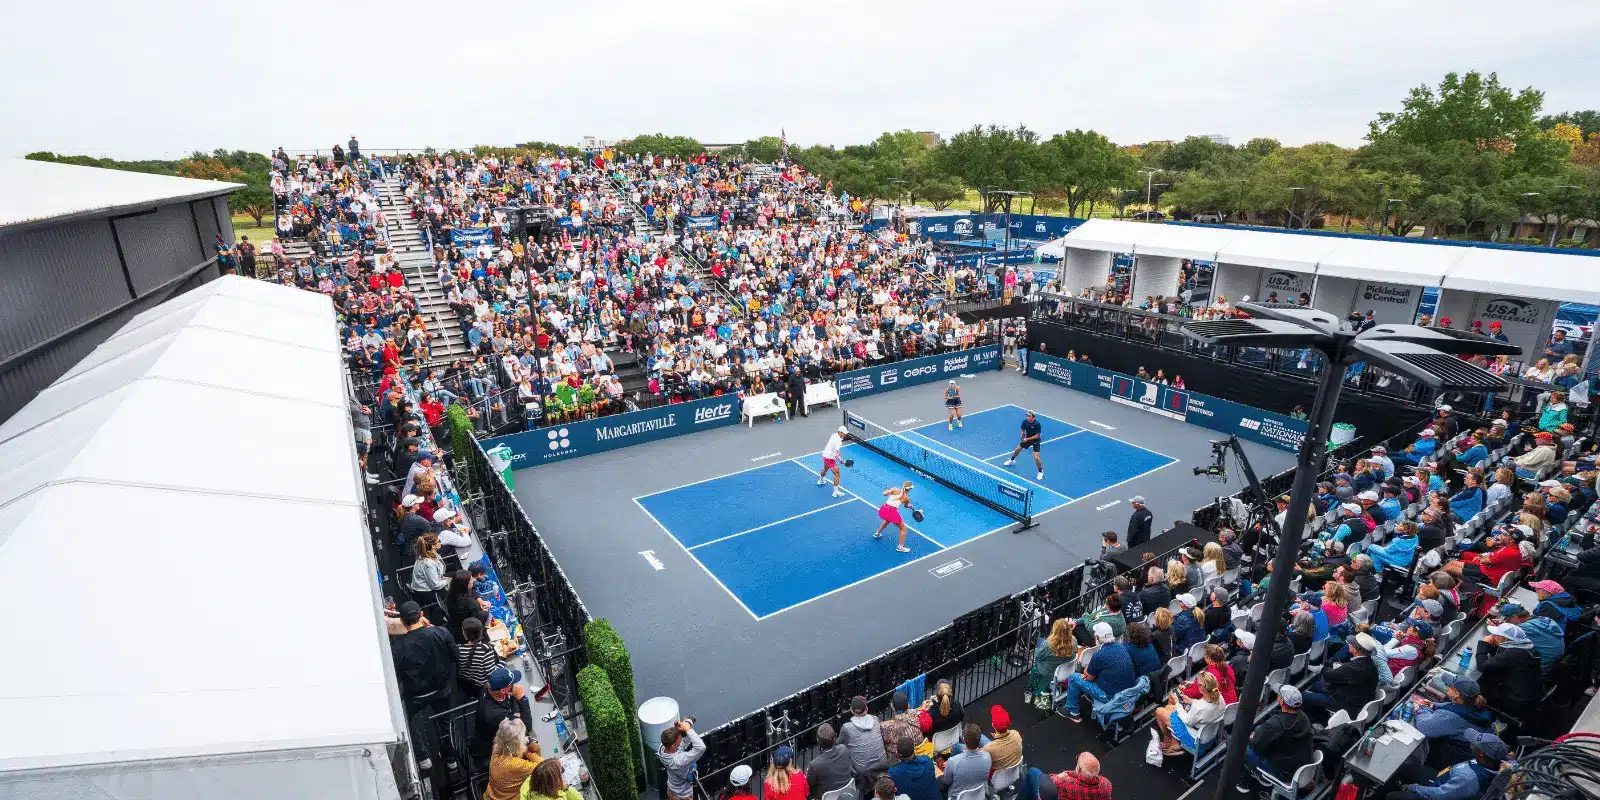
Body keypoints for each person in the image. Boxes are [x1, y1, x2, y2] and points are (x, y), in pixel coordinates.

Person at [390, 600, 460, 771]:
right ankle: (451, 759)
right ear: (422, 615)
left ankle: (423, 758)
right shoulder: (441, 633)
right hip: (442, 688)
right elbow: (455, 657)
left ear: (402, 622)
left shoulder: (398, 647)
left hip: (416, 695)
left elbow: (397, 675)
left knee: (406, 719)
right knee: (445, 723)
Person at [1387, 731, 1508, 800]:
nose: (1471, 743)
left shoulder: (1469, 778)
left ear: (1481, 755)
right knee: (1403, 769)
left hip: (1439, 794)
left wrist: (1414, 788)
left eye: (1475, 743)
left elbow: (1439, 795)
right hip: (1444, 779)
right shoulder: (1495, 763)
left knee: (1392, 797)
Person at [1411, 675, 1493, 770]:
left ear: (1457, 694)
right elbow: (1451, 707)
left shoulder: (1452, 717)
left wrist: (1422, 708)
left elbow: (1424, 727)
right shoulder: (1474, 704)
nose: (1447, 688)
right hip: (1472, 751)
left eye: (1449, 687)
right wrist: (1433, 705)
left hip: (1453, 758)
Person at [1241, 685, 1314, 789]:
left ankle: (1249, 778)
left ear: (1281, 701)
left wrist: (1253, 736)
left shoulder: (1274, 725)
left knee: (1235, 743)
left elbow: (1256, 747)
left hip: (1283, 773)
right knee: (1259, 729)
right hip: (1299, 767)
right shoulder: (1304, 717)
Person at [1061, 622, 1135, 723]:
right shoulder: (1120, 646)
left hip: (1110, 696)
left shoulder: (1099, 656)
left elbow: (1089, 677)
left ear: (1098, 638)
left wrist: (1087, 669)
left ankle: (1073, 712)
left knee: (1074, 678)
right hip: (1126, 692)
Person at [1474, 622, 1544, 721]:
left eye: (1497, 635)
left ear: (1506, 639)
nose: (1493, 636)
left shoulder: (1513, 654)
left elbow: (1482, 666)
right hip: (1530, 699)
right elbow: (1503, 658)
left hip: (1516, 703)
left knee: (1483, 685)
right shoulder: (1526, 649)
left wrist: (1484, 644)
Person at [1302, 633, 1380, 720]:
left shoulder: (1355, 668)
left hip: (1347, 705)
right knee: (1316, 684)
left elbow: (1329, 676)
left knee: (1303, 696)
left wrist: (1324, 668)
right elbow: (1346, 672)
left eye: (1351, 644)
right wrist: (1333, 665)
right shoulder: (1370, 663)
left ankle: (1316, 719)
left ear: (1356, 650)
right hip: (1354, 697)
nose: (1349, 645)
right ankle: (1318, 714)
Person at [474, 666, 533, 768]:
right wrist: (522, 698)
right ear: (502, 691)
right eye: (511, 684)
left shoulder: (487, 689)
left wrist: (513, 695)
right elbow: (526, 727)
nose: (514, 685)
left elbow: (511, 708)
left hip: (486, 738)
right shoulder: (495, 715)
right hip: (490, 754)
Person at [1155, 670, 1225, 755]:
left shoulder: (1199, 707)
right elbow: (1204, 706)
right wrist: (1192, 701)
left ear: (1201, 687)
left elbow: (1186, 721)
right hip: (1209, 733)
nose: (1195, 684)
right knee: (1168, 708)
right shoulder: (1220, 698)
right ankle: (1174, 743)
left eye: (1197, 684)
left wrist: (1178, 703)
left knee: (1159, 711)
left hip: (1194, 737)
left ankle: (1168, 740)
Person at [484, 717, 542, 800]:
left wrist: (522, 745)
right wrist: (527, 752)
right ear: (516, 744)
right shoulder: (517, 764)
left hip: (492, 794)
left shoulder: (496, 750)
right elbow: (542, 765)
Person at [839, 695, 888, 784]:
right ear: (866, 709)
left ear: (851, 710)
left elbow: (838, 746)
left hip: (863, 772)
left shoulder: (846, 728)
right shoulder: (875, 719)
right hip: (883, 764)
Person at [1029, 619, 1078, 706]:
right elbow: (1076, 651)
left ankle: (1043, 686)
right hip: (1067, 670)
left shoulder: (1049, 645)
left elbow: (1037, 656)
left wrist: (1039, 647)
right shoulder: (1073, 640)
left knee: (1040, 643)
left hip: (1049, 672)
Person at [938, 725, 991, 797]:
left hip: (956, 797)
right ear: (979, 741)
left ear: (963, 739)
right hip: (979, 795)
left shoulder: (952, 761)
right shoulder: (987, 757)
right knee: (958, 747)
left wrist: (939, 774)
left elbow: (946, 782)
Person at [661, 719, 707, 800]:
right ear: (673, 746)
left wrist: (680, 730)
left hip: (672, 789)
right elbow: (701, 748)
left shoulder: (663, 749)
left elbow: (681, 745)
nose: (681, 739)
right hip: (684, 795)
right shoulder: (678, 761)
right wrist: (688, 729)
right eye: (679, 740)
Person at [806, 724, 853, 799]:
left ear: (818, 741)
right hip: (847, 792)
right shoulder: (844, 749)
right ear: (835, 739)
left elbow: (809, 783)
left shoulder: (815, 764)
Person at [1048, 753, 1112, 800]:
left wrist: (1063, 775)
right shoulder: (1107, 784)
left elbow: (1047, 783)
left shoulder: (1064, 782)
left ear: (1078, 769)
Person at [1002, 410, 1045, 481]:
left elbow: (1037, 436)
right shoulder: (1025, 422)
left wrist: (1027, 439)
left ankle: (1040, 472)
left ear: (1033, 417)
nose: (1027, 417)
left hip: (1035, 441)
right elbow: (1022, 429)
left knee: (1036, 457)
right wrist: (1022, 434)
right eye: (1027, 415)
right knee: (1017, 449)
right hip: (1026, 439)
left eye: (1029, 416)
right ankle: (1012, 460)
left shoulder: (1037, 424)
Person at [873, 482, 915, 553]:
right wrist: (910, 506)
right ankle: (900, 547)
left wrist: (889, 491)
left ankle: (877, 533)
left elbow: (884, 494)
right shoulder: (906, 498)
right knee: (903, 528)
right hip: (891, 512)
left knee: (887, 520)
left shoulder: (895, 489)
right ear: (909, 489)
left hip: (883, 509)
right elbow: (905, 506)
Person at [983, 705, 1023, 776]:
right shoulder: (1016, 734)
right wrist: (997, 736)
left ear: (993, 725)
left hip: (997, 780)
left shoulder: (989, 748)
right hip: (1014, 775)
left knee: (980, 737)